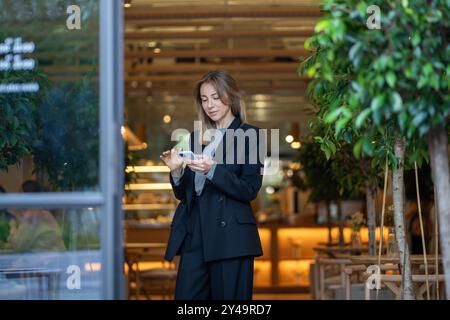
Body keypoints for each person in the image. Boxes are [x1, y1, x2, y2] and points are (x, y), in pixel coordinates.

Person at [160, 70, 265, 300]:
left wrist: (213, 170)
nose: (210, 104)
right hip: (195, 234)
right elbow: (186, 194)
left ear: (231, 96)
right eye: (205, 99)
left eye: (216, 97)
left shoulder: (251, 135)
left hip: (231, 238)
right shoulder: (197, 137)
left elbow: (250, 189)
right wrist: (176, 170)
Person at [8, 180, 66, 253]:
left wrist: (13, 226)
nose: (18, 197)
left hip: (45, 261)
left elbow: (19, 247)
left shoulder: (31, 215)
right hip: (57, 257)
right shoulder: (45, 213)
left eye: (20, 193)